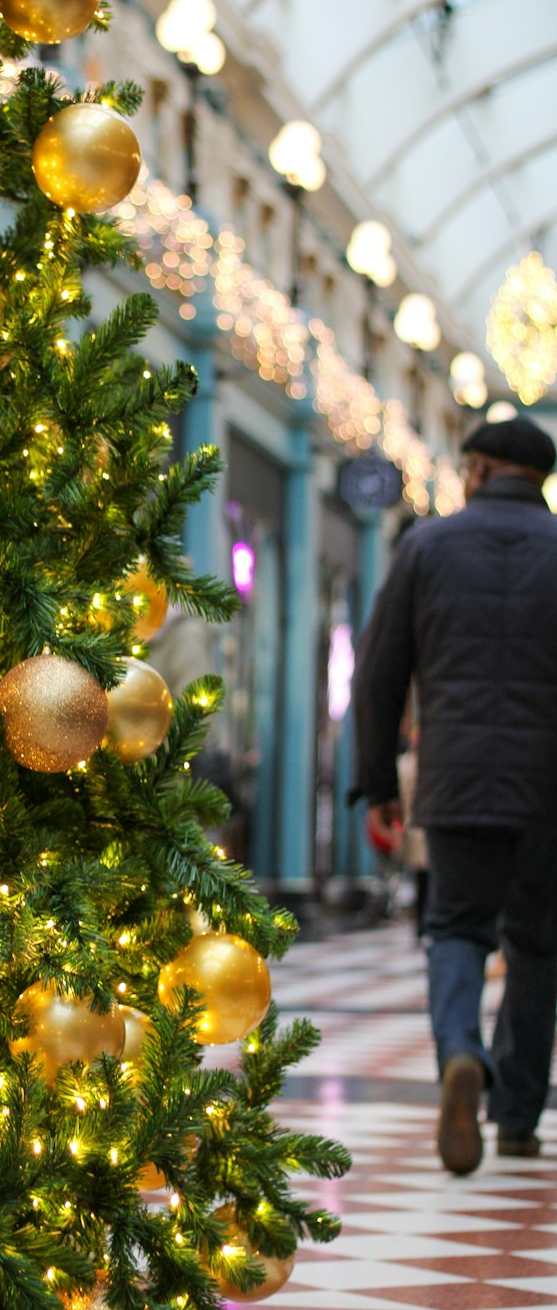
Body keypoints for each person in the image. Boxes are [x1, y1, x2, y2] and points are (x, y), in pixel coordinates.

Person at [353, 414, 557, 1174]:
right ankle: (515, 1119)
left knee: (459, 928)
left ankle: (460, 1054)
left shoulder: (426, 546)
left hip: (458, 781)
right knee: (538, 947)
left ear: (476, 471)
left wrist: (377, 781)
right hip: (548, 791)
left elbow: (376, 675)